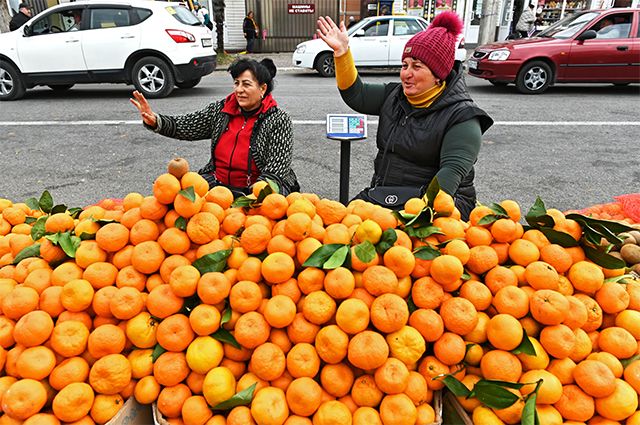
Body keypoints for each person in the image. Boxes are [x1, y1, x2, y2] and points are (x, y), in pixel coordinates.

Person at [316, 12, 493, 219]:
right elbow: (357, 95)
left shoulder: (463, 117)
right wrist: (342, 53)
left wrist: (408, 220)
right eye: (404, 65)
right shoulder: (394, 95)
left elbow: (448, 179)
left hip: (442, 204)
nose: (406, 74)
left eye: (416, 67)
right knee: (345, 223)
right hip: (387, 194)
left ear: (439, 75)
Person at [129, 58, 300, 196]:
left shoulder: (278, 120)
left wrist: (251, 197)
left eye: (246, 84)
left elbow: (275, 170)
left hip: (259, 187)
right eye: (236, 83)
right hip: (218, 181)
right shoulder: (221, 110)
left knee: (266, 213)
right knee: (180, 198)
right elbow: (186, 125)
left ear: (262, 88)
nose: (239, 90)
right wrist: (156, 121)